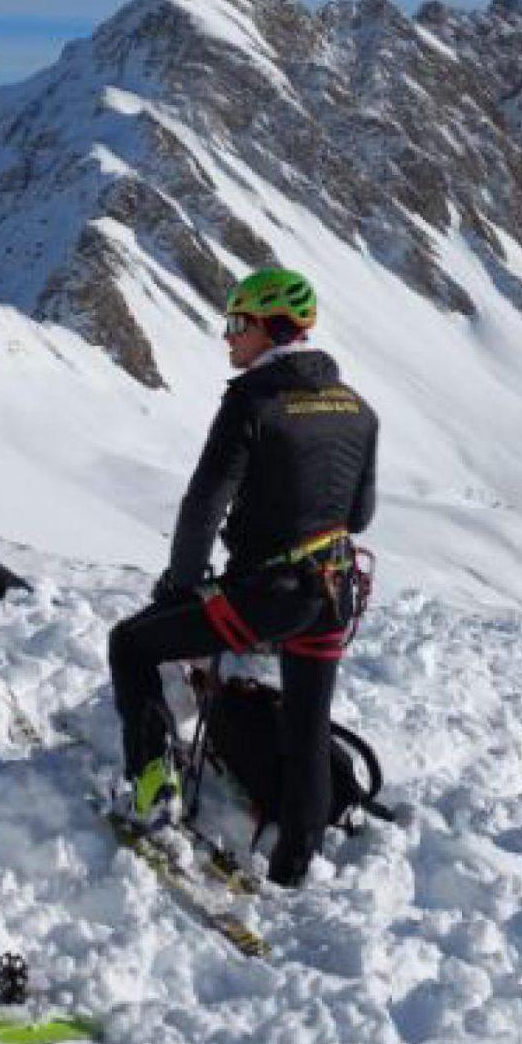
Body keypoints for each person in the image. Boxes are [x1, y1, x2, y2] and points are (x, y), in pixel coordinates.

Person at [108, 267, 379, 887]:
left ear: (268, 326)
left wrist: (178, 587)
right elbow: (359, 515)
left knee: (132, 644)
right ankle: (296, 860)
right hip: (334, 592)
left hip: (267, 594)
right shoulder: (359, 410)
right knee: (308, 723)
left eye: (237, 323)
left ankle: (153, 789)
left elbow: (205, 502)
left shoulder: (252, 401)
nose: (227, 336)